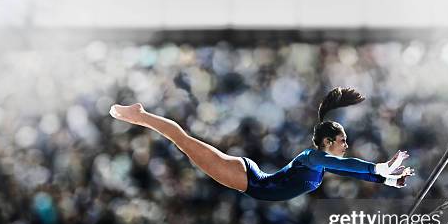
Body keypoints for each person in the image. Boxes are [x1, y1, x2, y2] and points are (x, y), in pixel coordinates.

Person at [109, 87, 414, 201]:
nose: (347, 146)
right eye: (343, 141)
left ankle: (142, 115)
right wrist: (380, 168)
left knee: (187, 144)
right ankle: (141, 115)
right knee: (185, 142)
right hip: (249, 181)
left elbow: (348, 170)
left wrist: (384, 178)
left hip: (252, 178)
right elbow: (346, 166)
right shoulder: (313, 157)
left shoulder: (320, 162)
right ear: (327, 141)